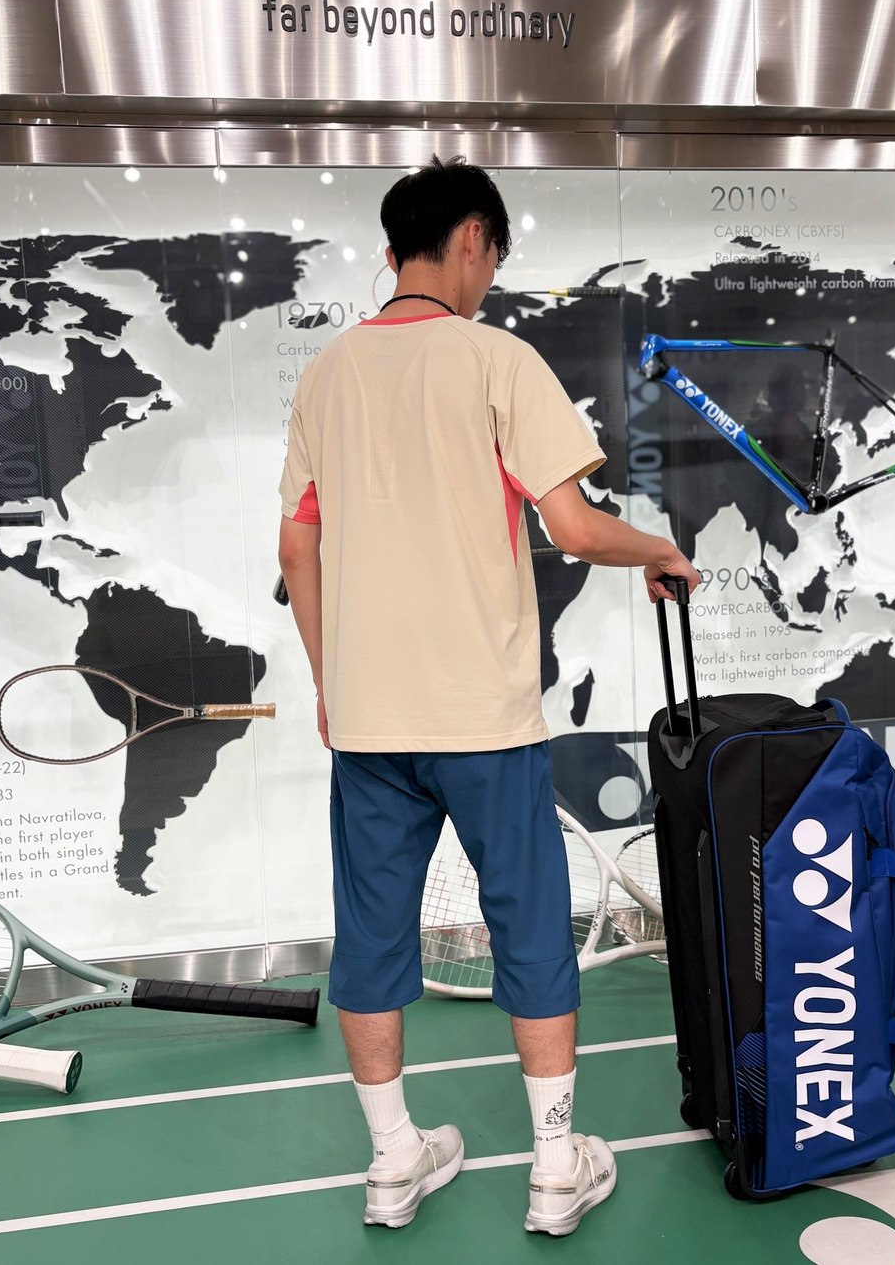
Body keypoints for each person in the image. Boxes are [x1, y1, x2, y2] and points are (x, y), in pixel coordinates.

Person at [277, 157, 702, 1236]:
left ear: (393, 253)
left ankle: (392, 1162)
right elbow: (574, 527)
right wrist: (660, 550)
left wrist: (330, 682)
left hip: (369, 722)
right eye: (494, 255)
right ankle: (556, 1167)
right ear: (474, 237)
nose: (490, 276)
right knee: (530, 928)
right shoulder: (496, 359)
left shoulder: (326, 375)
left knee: (369, 937)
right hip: (482, 718)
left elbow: (297, 545)